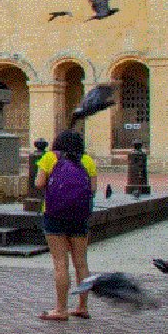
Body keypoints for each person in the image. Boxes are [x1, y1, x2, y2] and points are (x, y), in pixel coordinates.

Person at [34, 130, 97, 321]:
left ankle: (61, 309)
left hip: (54, 214)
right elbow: (93, 189)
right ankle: (83, 306)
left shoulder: (50, 158)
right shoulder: (87, 160)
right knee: (81, 263)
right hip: (80, 216)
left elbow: (39, 183)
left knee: (60, 262)